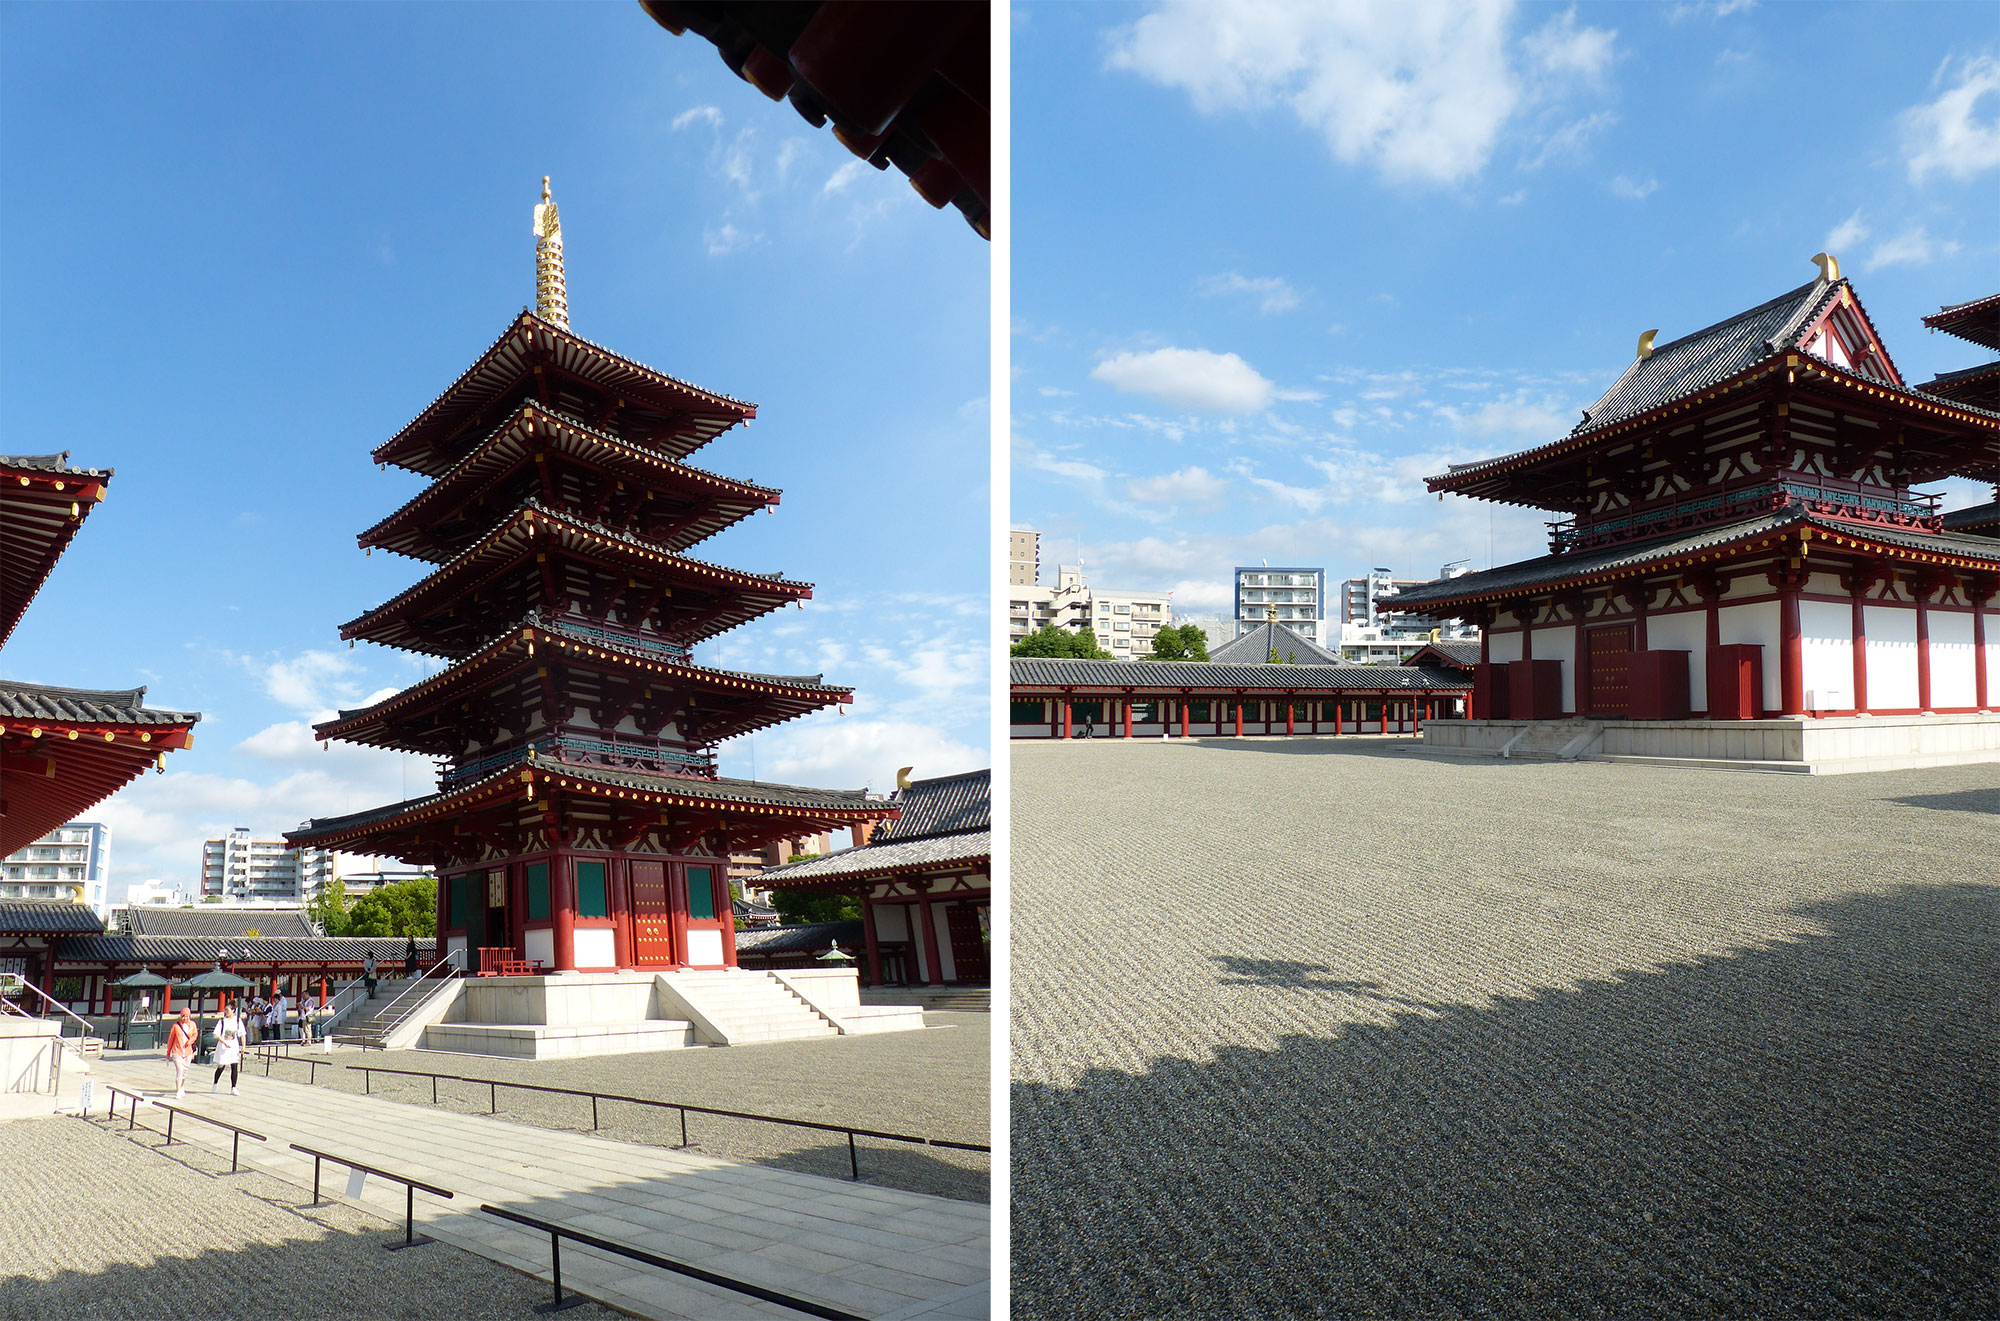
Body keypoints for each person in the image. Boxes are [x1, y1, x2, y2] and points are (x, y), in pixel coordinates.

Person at [212, 1006, 245, 1095]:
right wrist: (224, 1042)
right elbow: (216, 1034)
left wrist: (243, 1046)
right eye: (225, 1010)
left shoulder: (237, 1021)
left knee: (234, 1066)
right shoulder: (222, 1021)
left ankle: (233, 1087)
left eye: (227, 1010)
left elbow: (242, 1034)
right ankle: (215, 1083)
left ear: (233, 1010)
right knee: (221, 1066)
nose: (225, 1011)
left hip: (233, 1045)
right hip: (224, 1045)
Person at [165, 1008, 197, 1100]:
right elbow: (171, 1039)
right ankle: (178, 1090)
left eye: (187, 1016)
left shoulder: (192, 1025)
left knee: (185, 1070)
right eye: (183, 1016)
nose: (185, 1018)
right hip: (177, 1051)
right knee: (180, 1070)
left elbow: (195, 1035)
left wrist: (190, 1041)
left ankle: (182, 1086)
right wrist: (168, 1053)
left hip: (188, 1051)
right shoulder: (176, 1026)